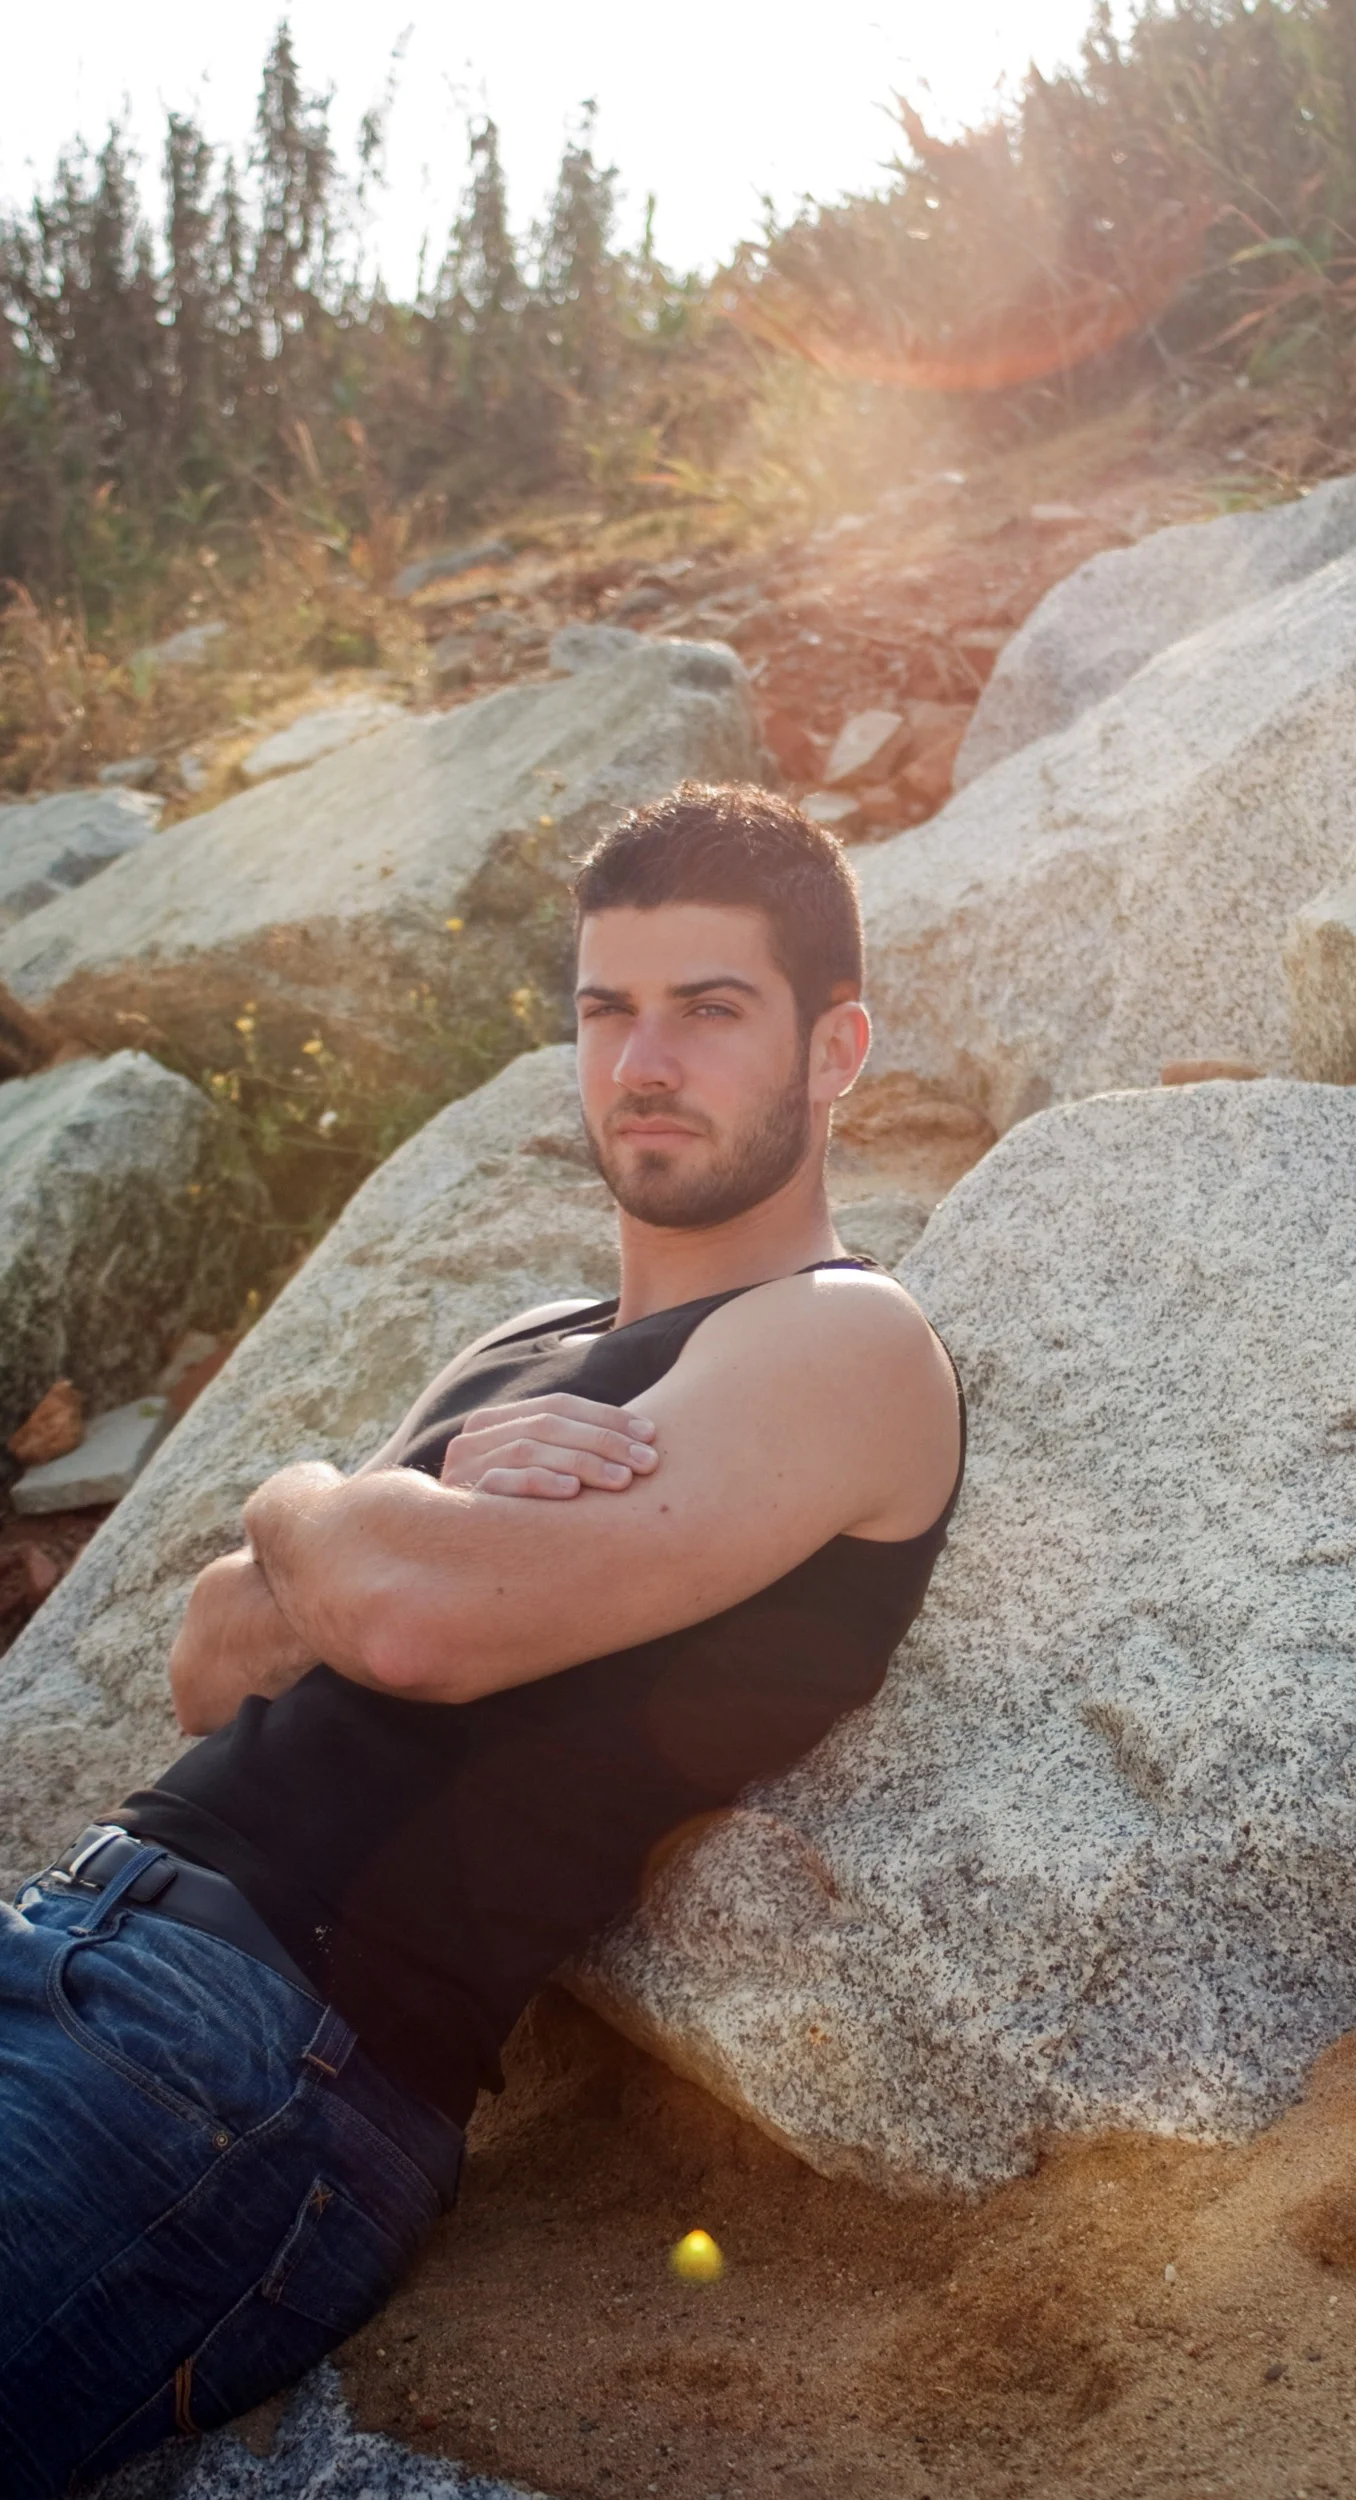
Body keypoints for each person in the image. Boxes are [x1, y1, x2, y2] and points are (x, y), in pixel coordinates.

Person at [0, 783, 964, 2496]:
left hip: (252, 2063)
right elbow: (211, 1660)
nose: (641, 1061)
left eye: (709, 1010)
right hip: (75, 1937)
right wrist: (404, 1498)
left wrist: (320, 1492)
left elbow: (404, 1618)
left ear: (837, 1049)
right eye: (606, 1010)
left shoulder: (845, 1342)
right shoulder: (525, 1336)